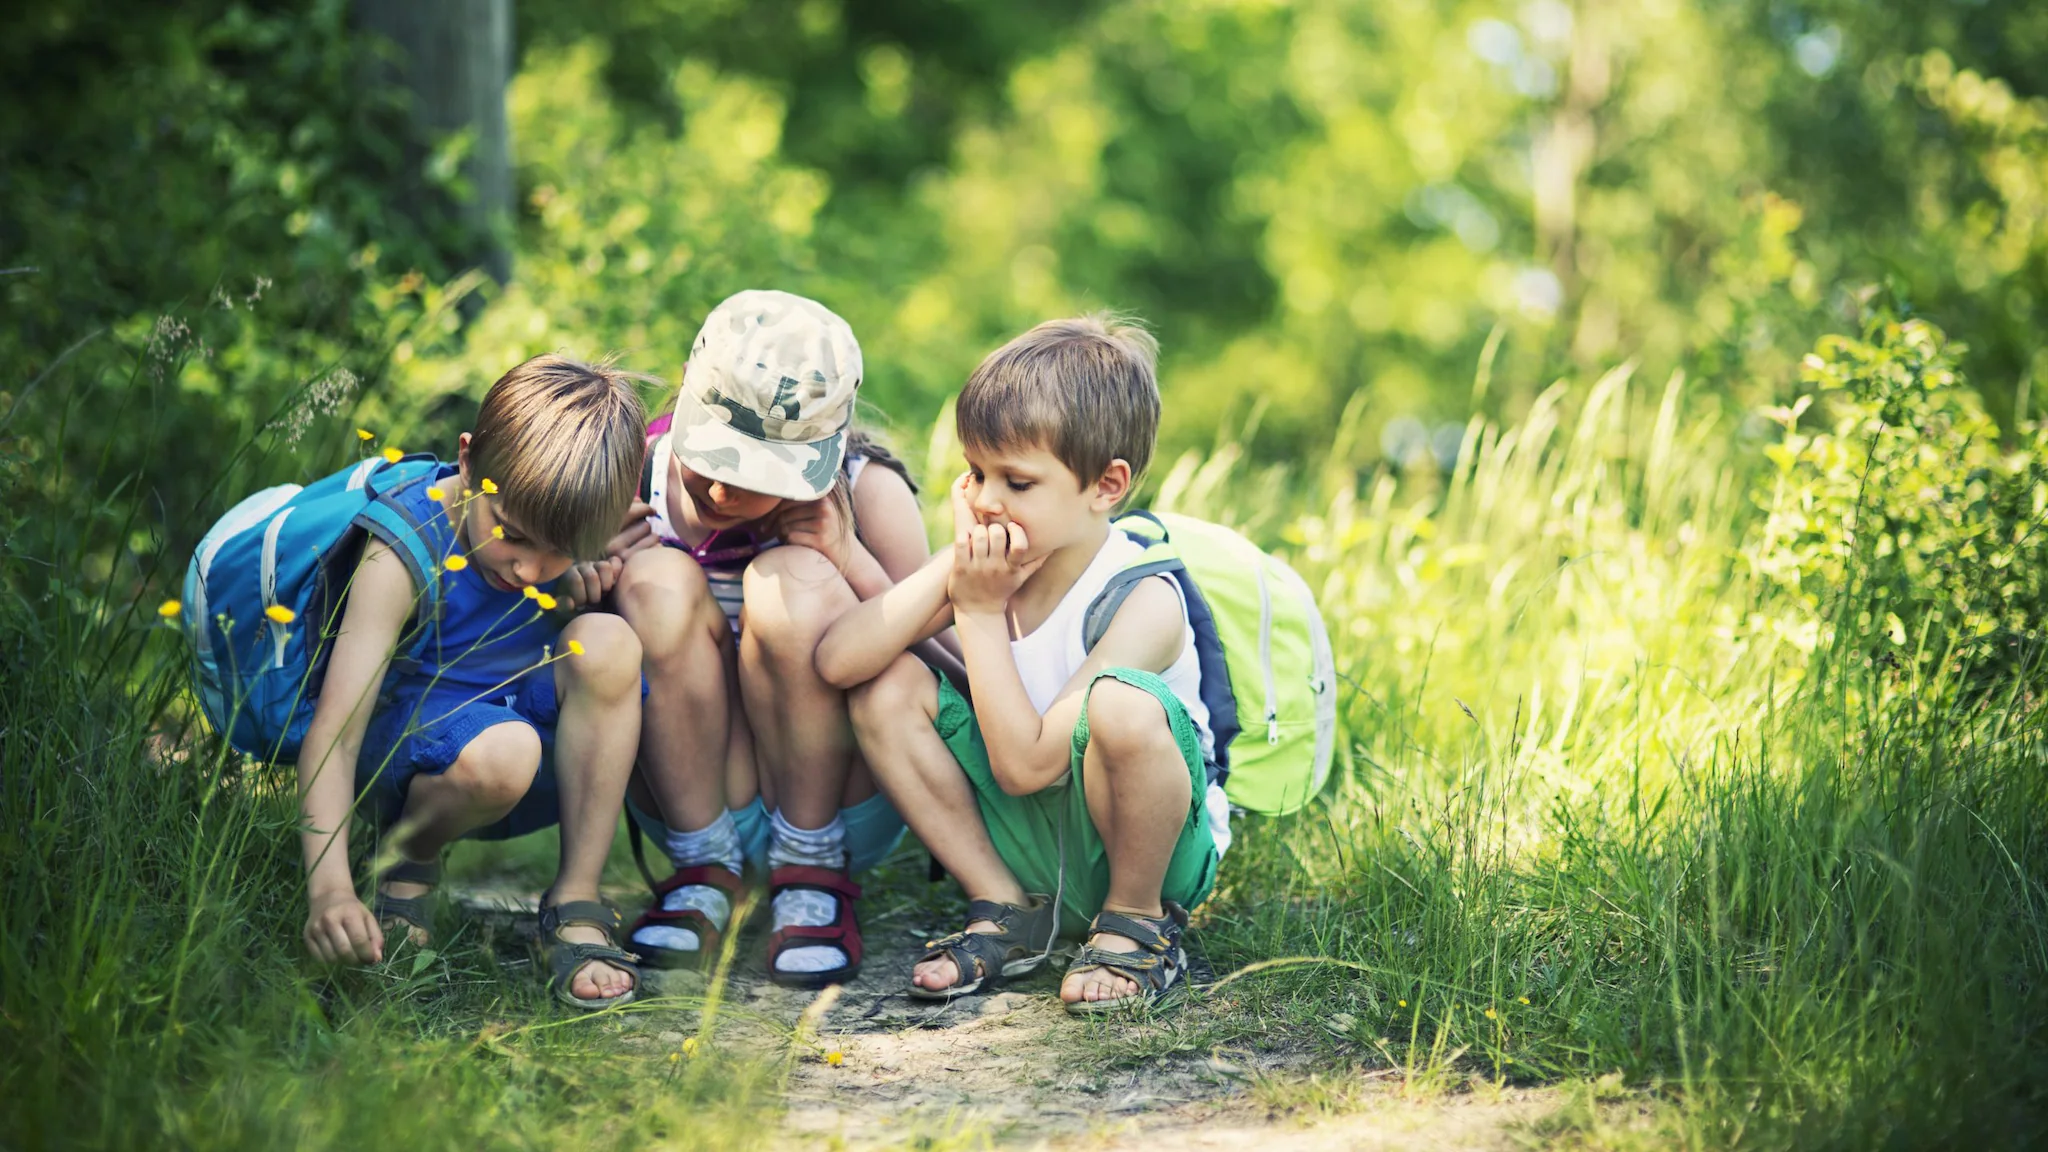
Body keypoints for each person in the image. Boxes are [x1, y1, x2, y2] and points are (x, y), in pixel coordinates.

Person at [817, 313, 1228, 1012]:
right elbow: (838, 662)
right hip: (1027, 840)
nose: (984, 500)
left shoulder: (1143, 598)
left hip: (1140, 848)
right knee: (885, 686)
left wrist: (975, 612)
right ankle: (1006, 907)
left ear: (1106, 486)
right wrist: (951, 575)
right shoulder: (989, 561)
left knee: (1121, 705)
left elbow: (1028, 764)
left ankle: (1135, 926)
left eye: (1017, 480)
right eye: (975, 473)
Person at [569, 290, 937, 987]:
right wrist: (583, 577)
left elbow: (944, 668)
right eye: (716, 458)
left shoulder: (871, 490)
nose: (722, 495)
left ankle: (814, 870)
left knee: (789, 580)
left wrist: (849, 558)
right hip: (694, 799)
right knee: (653, 579)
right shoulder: (630, 475)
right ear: (686, 388)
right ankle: (703, 867)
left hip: (841, 800)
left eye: (756, 474)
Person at [295, 354, 649, 1010]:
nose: (528, 569)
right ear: (467, 460)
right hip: (407, 755)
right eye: (511, 536)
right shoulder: (404, 547)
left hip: (516, 736)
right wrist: (329, 892)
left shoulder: (553, 532)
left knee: (610, 642)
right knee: (506, 751)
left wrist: (575, 590)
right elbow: (335, 736)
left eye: (557, 552)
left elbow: (549, 593)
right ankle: (405, 860)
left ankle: (576, 898)